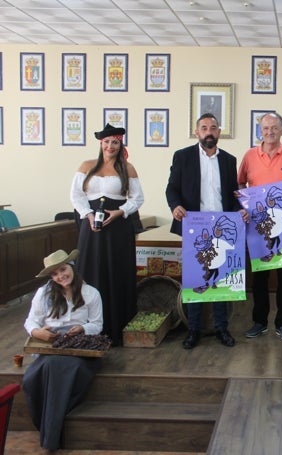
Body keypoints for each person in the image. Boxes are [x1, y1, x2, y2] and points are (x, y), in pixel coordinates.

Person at [165, 113, 246, 349]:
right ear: (197, 132)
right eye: (204, 128)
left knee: (220, 280)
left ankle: (222, 328)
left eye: (213, 128)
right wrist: (175, 206)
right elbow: (172, 189)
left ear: (219, 132)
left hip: (221, 227)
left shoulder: (229, 160)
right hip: (195, 227)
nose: (208, 132)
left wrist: (239, 210)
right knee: (195, 280)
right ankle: (194, 330)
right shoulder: (183, 157)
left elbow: (232, 194)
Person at [22, 249, 103, 454]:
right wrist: (37, 332)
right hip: (50, 346)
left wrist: (82, 328)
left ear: (72, 267)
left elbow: (97, 324)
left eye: (63, 270)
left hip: (79, 349)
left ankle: (51, 438)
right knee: (31, 380)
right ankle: (48, 425)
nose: (60, 276)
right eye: (55, 274)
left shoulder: (90, 293)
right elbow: (31, 320)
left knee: (56, 368)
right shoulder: (44, 293)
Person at [70, 123, 144, 346]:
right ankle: (88, 328)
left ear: (120, 144)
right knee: (91, 270)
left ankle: (117, 326)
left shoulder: (128, 168)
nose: (111, 146)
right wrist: (88, 215)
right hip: (91, 226)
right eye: (107, 142)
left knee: (117, 271)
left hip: (118, 227)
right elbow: (76, 195)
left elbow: (137, 198)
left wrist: (120, 212)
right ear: (101, 144)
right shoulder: (86, 165)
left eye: (115, 142)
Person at [238, 112, 282, 342]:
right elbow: (239, 184)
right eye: (265, 128)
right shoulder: (249, 156)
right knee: (260, 279)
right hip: (258, 227)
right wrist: (243, 206)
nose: (269, 132)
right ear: (260, 131)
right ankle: (260, 322)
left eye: (274, 128)